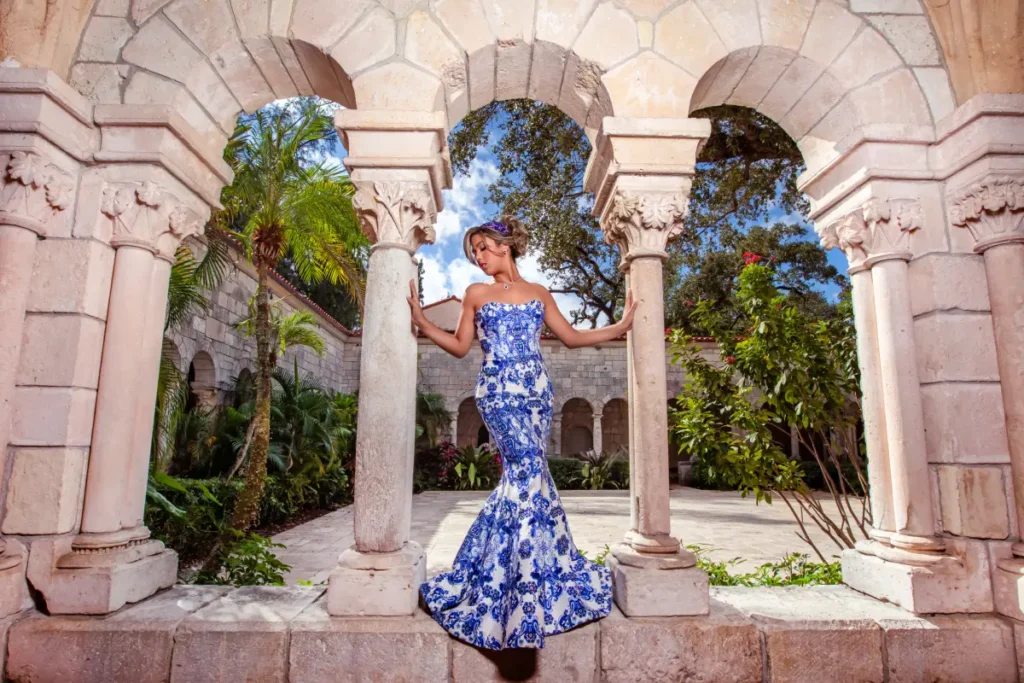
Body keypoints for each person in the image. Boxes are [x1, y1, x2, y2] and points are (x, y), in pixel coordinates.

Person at [407, 215, 637, 650]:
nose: (478, 257)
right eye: (473, 251)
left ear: (504, 245)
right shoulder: (476, 294)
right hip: (498, 395)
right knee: (529, 472)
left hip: (536, 394)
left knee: (524, 483)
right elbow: (459, 347)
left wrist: (620, 328)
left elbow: (569, 337)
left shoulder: (538, 293)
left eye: (482, 247)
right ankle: (522, 594)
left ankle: (502, 579)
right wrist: (420, 319)